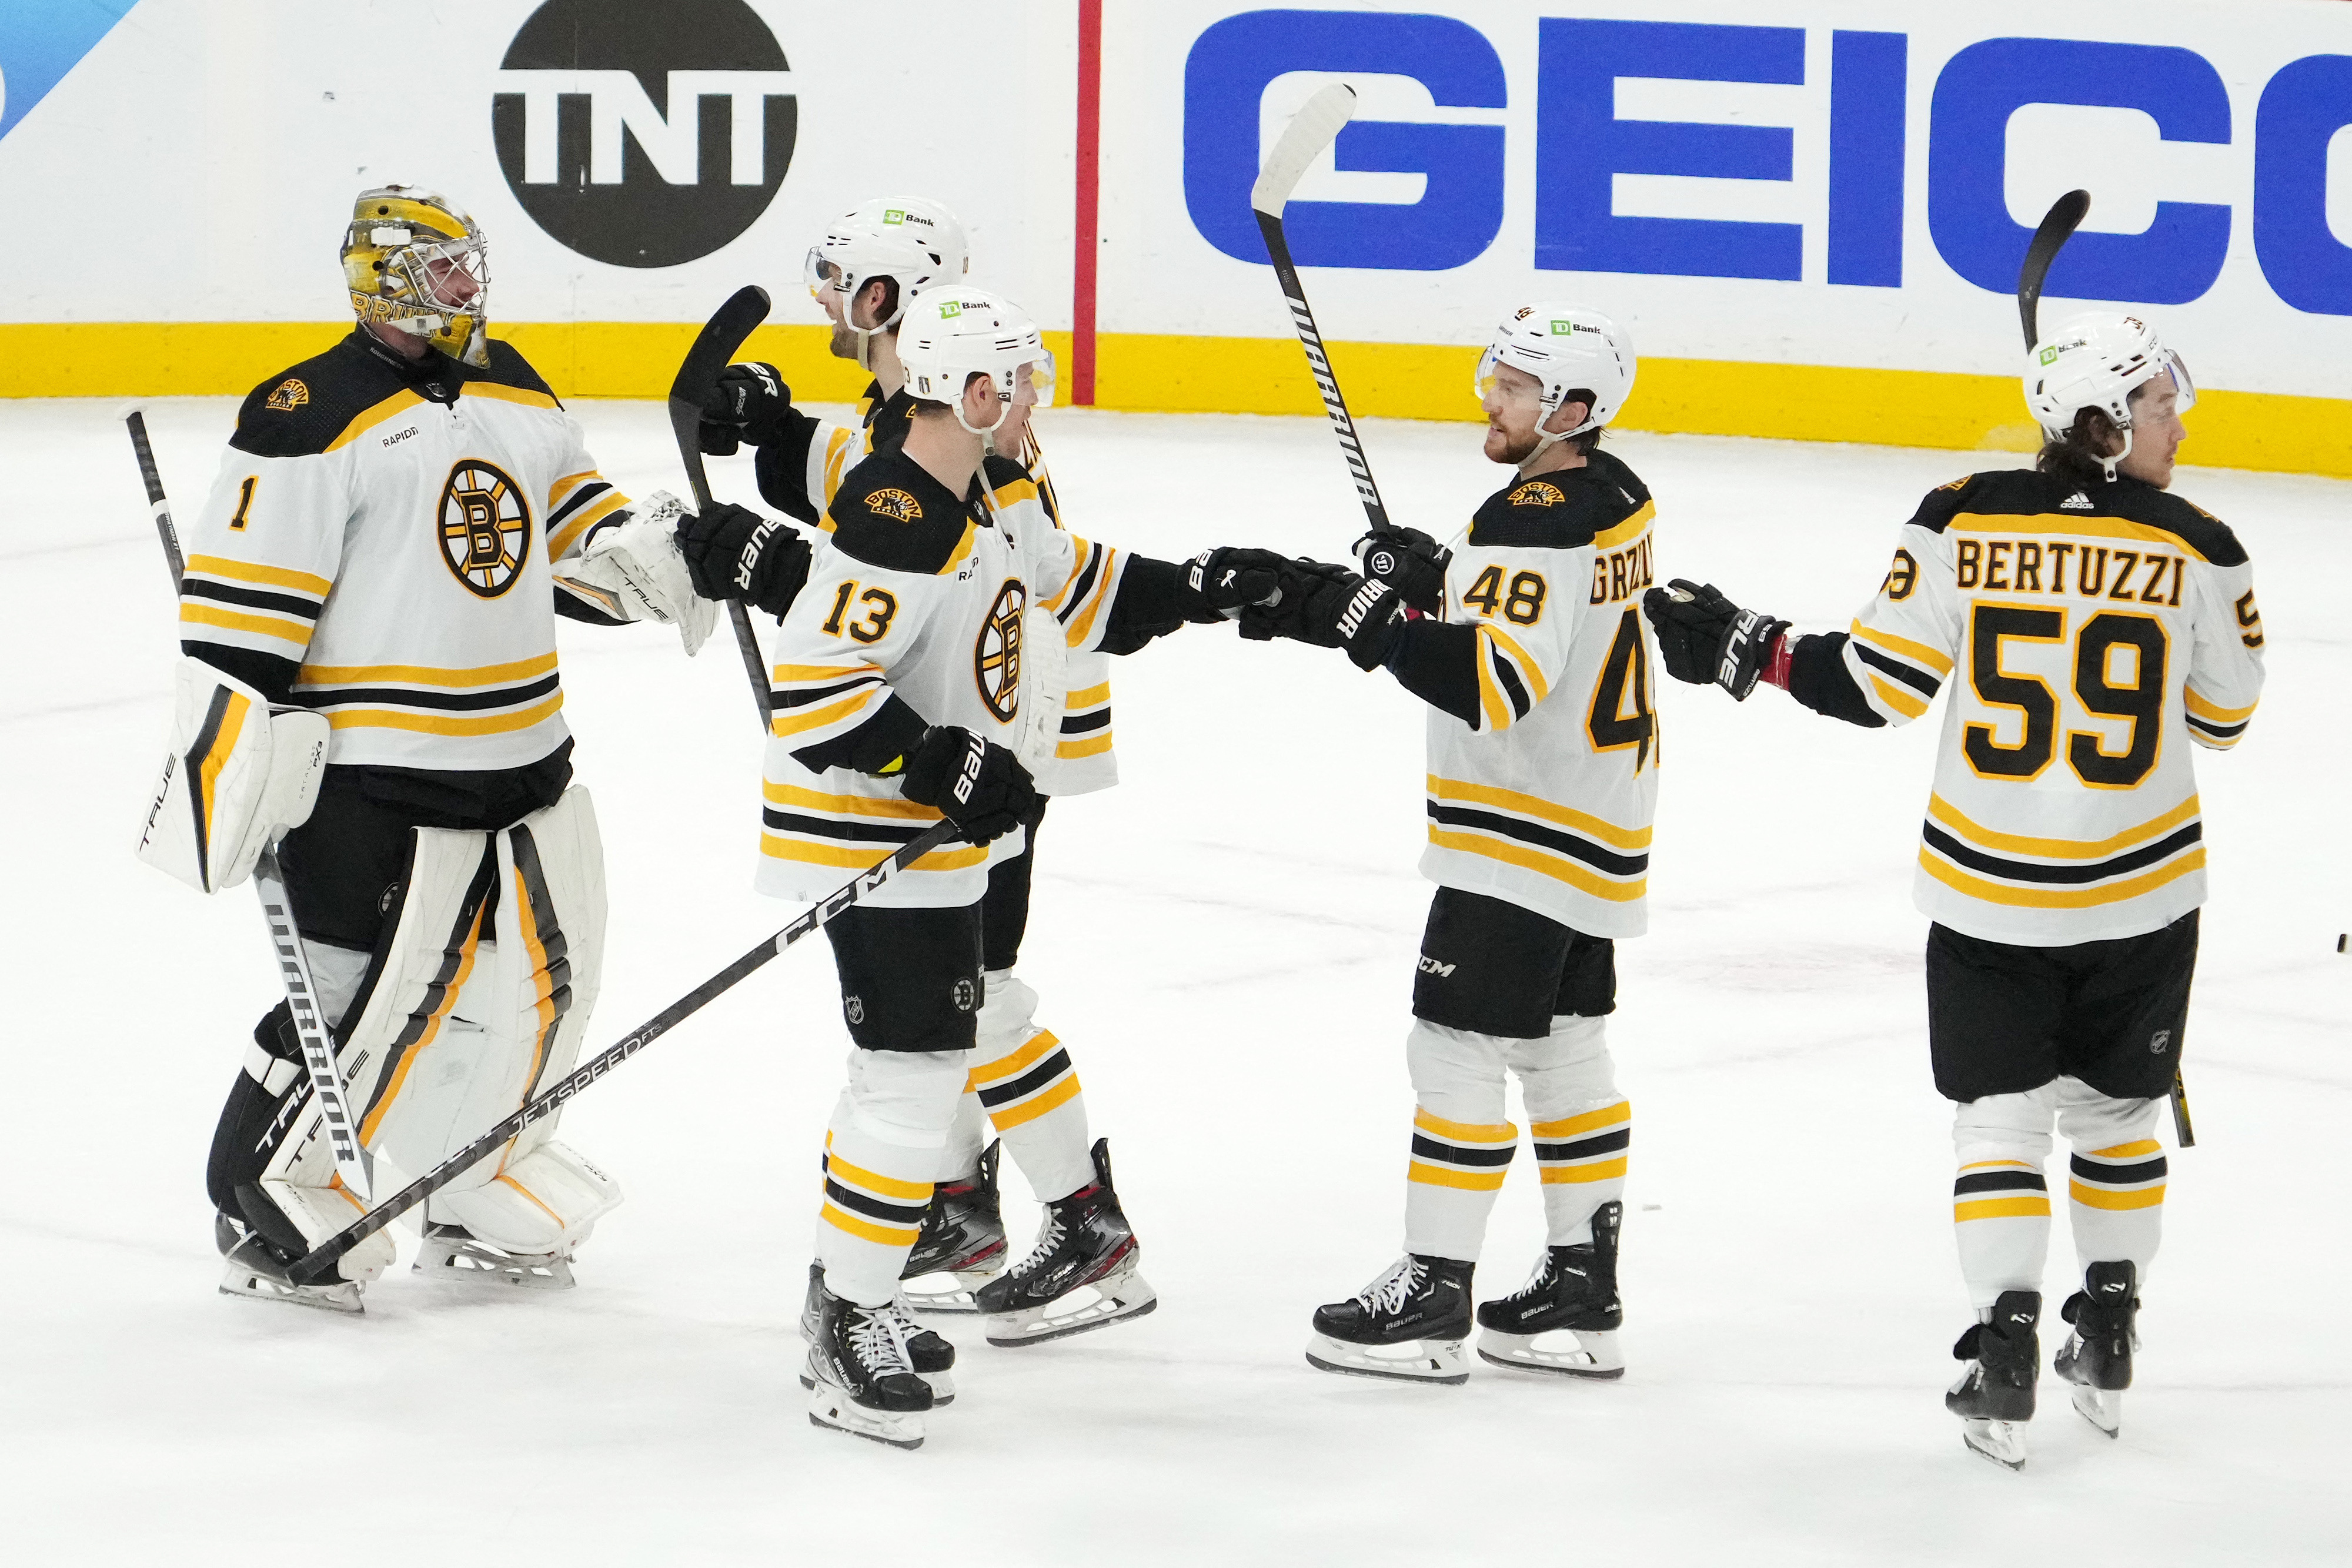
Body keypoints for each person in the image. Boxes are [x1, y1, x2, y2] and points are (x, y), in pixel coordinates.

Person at [1641, 313, 2263, 1469]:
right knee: (2117, 1116)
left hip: (1989, 894)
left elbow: (1874, 684)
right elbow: (2223, 719)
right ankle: (2109, 1324)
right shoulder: (2201, 541)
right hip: (2141, 896)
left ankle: (2006, 1338)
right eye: (2161, 405)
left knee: (2000, 1120)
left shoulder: (1958, 514)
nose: (2180, 421)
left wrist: (1748, 646)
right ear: (2106, 422)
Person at [684, 285, 1287, 1448]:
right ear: (963, 388)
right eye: (1013, 379)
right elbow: (819, 702)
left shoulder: (992, 492)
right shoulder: (896, 512)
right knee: (908, 1077)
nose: (1031, 399)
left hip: (930, 829)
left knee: (914, 1069)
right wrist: (943, 763)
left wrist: (1206, 588)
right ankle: (845, 1318)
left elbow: (1082, 590)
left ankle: (849, 1296)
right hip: (865, 827)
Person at [135, 185, 709, 1312]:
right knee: (363, 1002)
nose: (468, 288)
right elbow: (239, 630)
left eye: (469, 267)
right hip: (372, 782)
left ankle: (478, 1168)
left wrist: (685, 552)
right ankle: (264, 1184)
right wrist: (236, 772)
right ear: (385, 277)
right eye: (445, 271)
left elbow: (579, 545)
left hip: (525, 760)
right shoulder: (308, 411)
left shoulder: (514, 383)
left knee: (543, 984)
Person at [686, 198, 1133, 1326]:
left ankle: (1046, 1218)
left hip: (999, 758)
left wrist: (778, 569)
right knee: (959, 1014)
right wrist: (775, 431)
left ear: (886, 301)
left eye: (843, 282)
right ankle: (971, 1204)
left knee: (960, 1012)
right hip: (974, 749)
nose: (827, 300)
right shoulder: (912, 417)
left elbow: (932, 575)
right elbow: (862, 505)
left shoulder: (983, 460)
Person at [1243, 305, 1656, 1387]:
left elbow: (1494, 683)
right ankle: (1582, 1286)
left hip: (1525, 827)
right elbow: (1540, 618)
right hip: (1598, 819)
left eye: (1517, 390)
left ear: (1573, 410)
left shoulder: (1531, 520)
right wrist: (1438, 577)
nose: (1493, 399)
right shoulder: (1614, 495)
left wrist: (1363, 616)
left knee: (1454, 1046)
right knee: (1564, 1047)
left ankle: (1433, 1291)